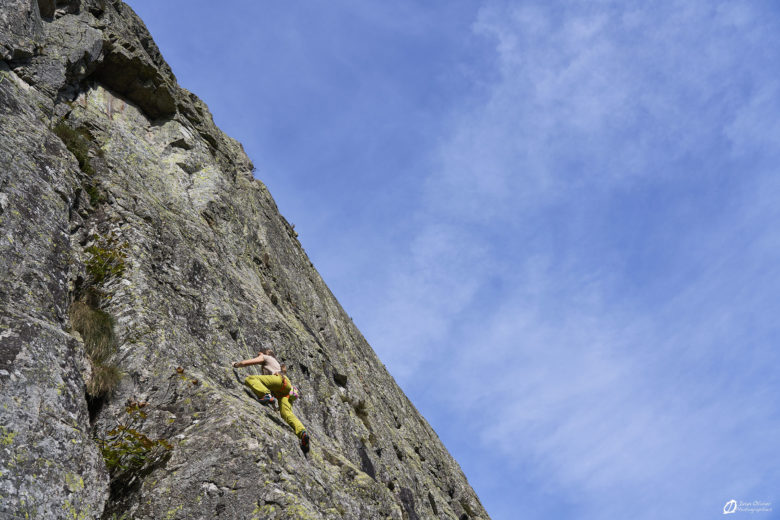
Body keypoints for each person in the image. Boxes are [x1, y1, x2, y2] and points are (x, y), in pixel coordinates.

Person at [233, 349, 309, 452]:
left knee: (250, 379)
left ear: (264, 353)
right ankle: (302, 433)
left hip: (278, 380)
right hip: (286, 388)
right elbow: (273, 394)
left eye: (259, 354)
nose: (258, 356)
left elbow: (246, 363)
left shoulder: (266, 357)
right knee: (286, 414)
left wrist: (236, 364)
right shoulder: (275, 364)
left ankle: (265, 394)